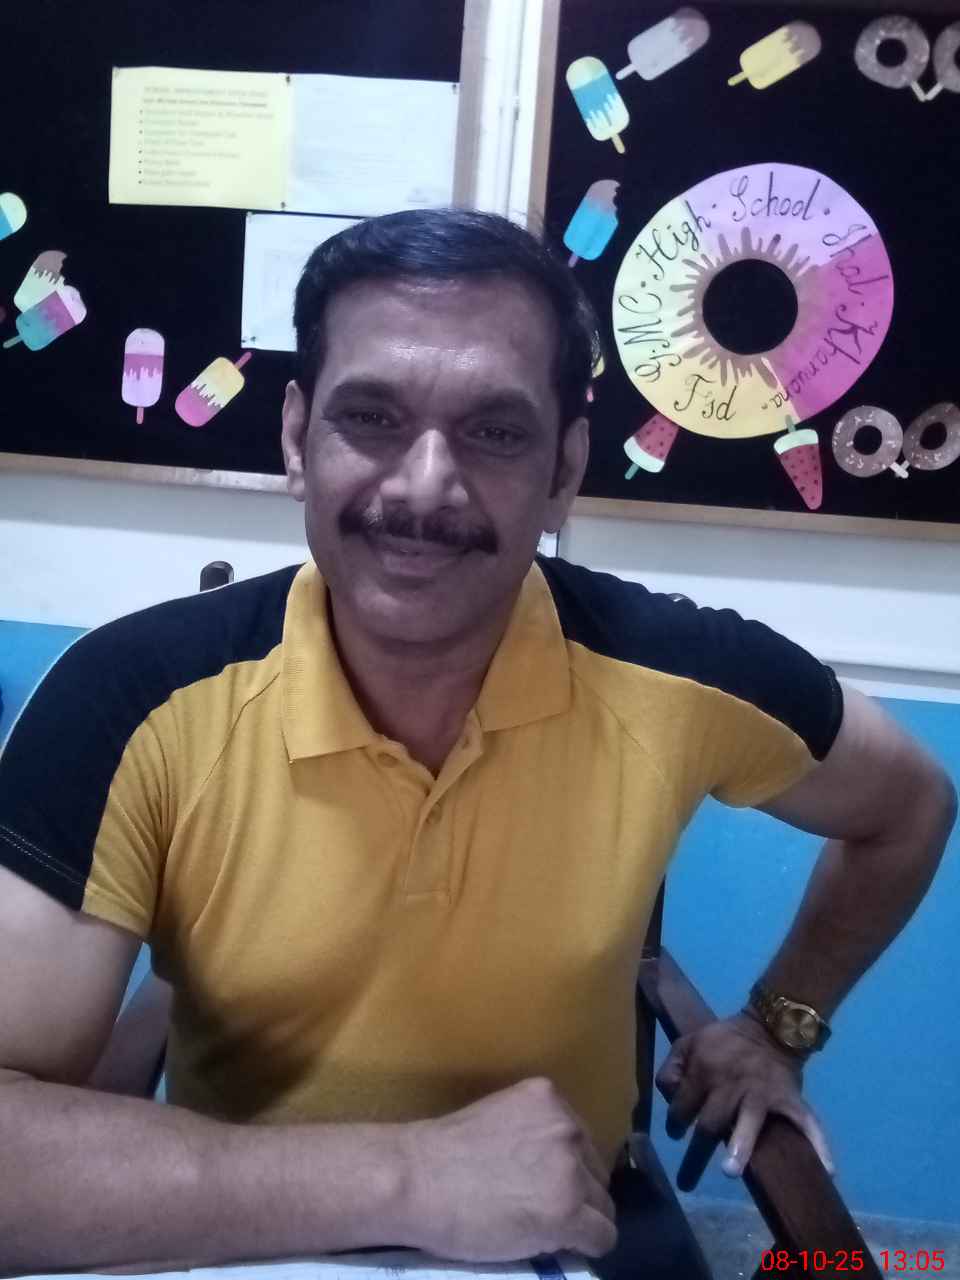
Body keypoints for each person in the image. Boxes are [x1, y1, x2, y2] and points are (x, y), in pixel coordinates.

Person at [0, 209, 954, 1276]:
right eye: (371, 416)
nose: (424, 487)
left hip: (569, 1231)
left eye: (495, 431)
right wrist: (408, 1176)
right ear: (296, 436)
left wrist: (780, 1025)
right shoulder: (128, 694)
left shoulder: (678, 671)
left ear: (565, 467)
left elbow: (909, 806)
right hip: (238, 1229)